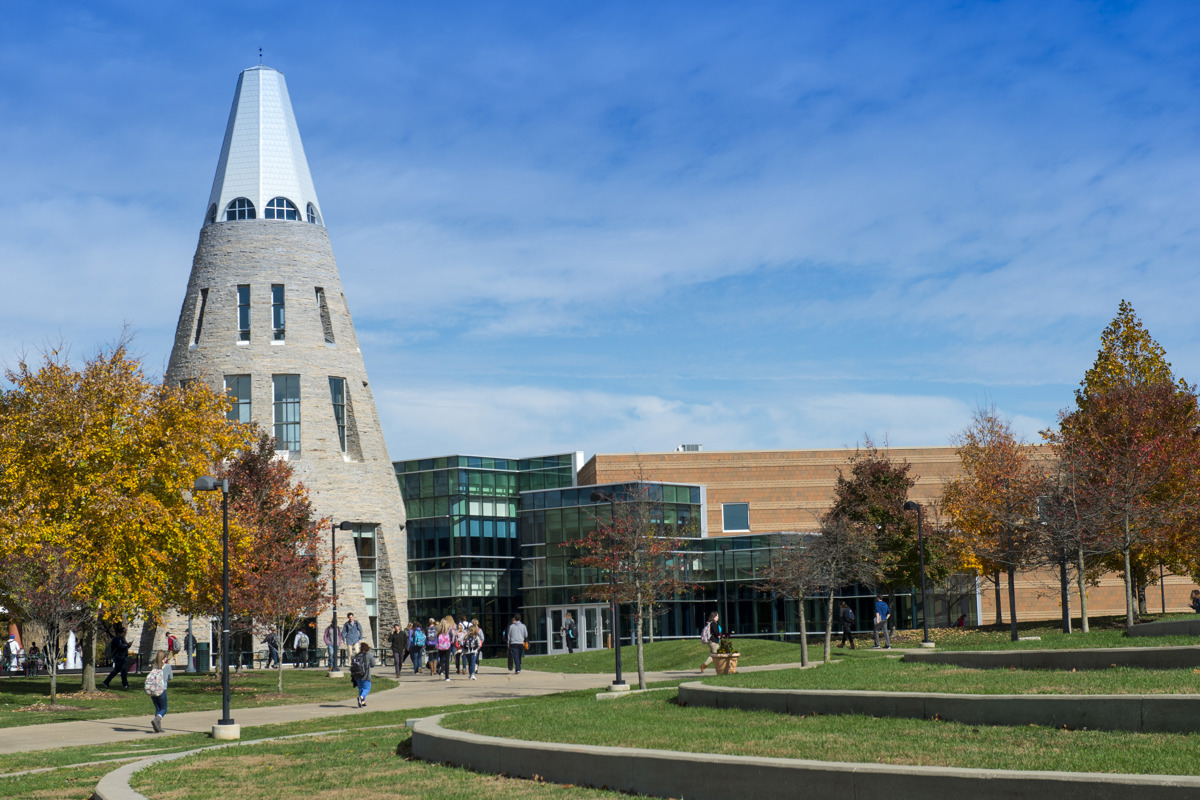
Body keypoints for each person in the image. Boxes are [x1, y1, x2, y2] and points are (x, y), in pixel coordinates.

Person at [146, 650, 171, 733]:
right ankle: (157, 720)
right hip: (161, 690)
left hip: (153, 690)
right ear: (164, 658)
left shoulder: (154, 666)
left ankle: (158, 727)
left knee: (158, 708)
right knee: (164, 709)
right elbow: (171, 677)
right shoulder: (167, 667)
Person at [350, 642, 376, 707]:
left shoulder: (357, 655)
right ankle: (361, 697)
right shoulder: (369, 655)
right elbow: (373, 664)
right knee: (367, 688)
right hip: (365, 675)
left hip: (357, 675)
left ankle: (362, 702)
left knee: (360, 688)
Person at [435, 615, 455, 681]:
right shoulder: (449, 630)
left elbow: (436, 638)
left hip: (440, 647)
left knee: (441, 659)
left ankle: (441, 672)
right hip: (447, 646)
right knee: (447, 661)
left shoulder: (439, 631)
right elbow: (451, 637)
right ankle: (447, 677)